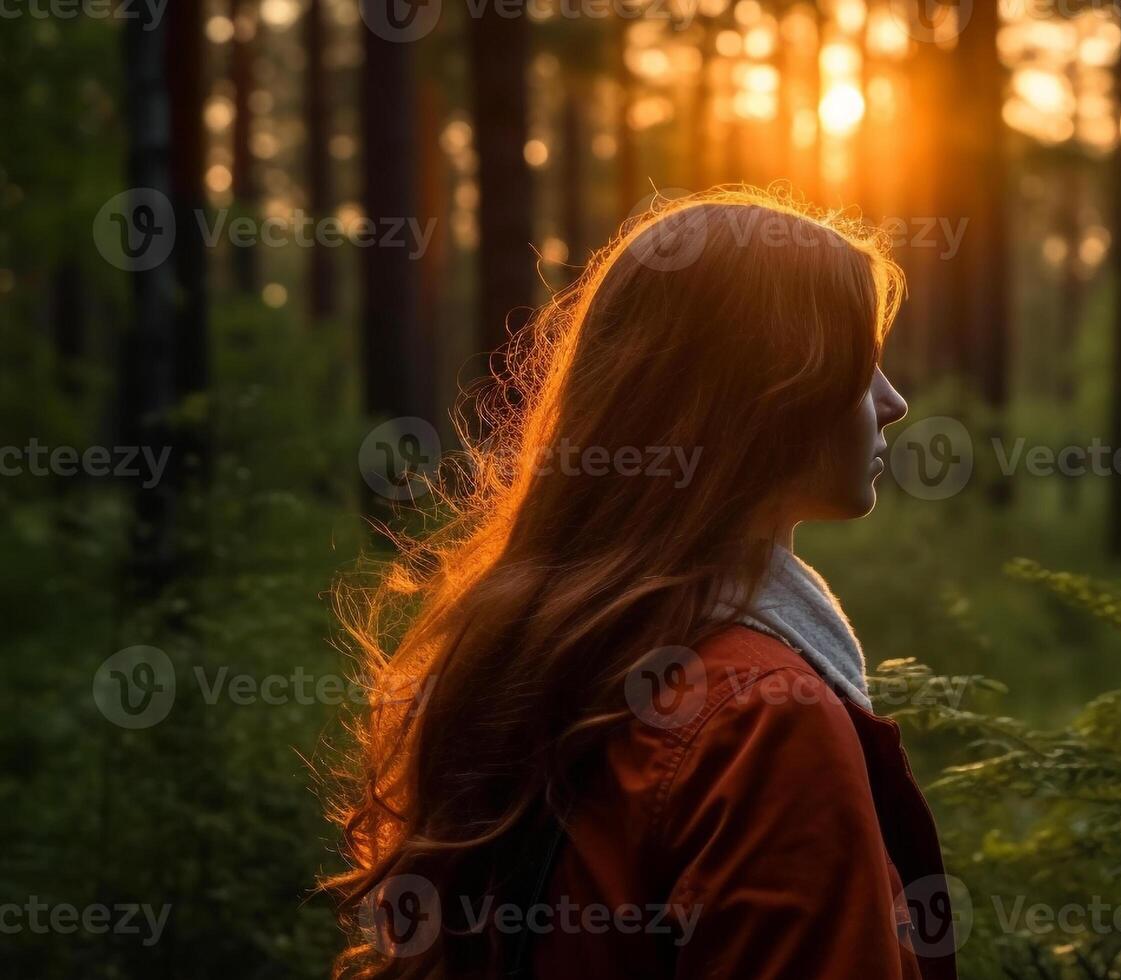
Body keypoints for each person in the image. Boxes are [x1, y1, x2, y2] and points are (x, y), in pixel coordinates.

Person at [323, 187, 959, 979]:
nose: (893, 403)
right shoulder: (761, 719)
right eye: (860, 365)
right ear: (767, 392)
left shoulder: (524, 654)